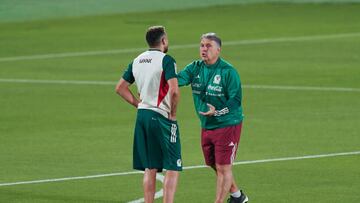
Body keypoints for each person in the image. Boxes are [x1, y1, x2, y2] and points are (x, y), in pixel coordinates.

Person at [177, 33, 248, 203]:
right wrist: (155, 83)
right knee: (213, 163)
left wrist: (218, 112)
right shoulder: (194, 68)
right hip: (207, 124)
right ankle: (238, 197)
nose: (204, 49)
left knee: (224, 167)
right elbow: (177, 80)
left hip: (227, 124)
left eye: (208, 46)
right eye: (202, 45)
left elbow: (236, 100)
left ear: (218, 50)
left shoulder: (228, 72)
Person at [115, 25, 182, 203]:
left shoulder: (137, 60)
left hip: (143, 116)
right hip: (161, 117)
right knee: (173, 165)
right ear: (163, 41)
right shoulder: (166, 60)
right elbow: (174, 91)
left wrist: (139, 104)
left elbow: (120, 88)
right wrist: (173, 115)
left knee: (150, 167)